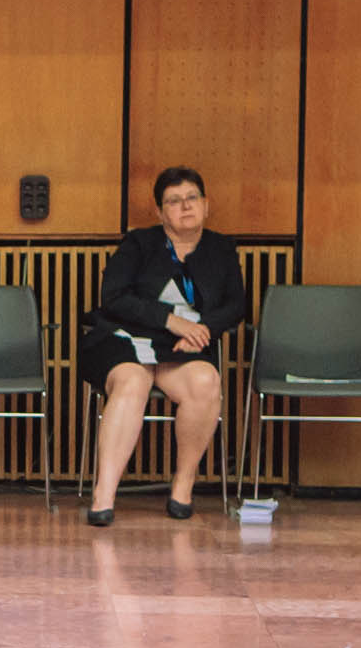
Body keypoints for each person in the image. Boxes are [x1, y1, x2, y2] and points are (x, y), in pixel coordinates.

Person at [80, 166, 247, 525]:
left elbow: (236, 305)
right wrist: (172, 321)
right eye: (174, 201)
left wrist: (203, 330)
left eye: (192, 198)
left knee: (205, 381)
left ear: (206, 204)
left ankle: (183, 487)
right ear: (159, 212)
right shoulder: (138, 244)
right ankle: (103, 496)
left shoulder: (221, 248)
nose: (185, 206)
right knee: (132, 382)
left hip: (182, 348)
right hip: (124, 339)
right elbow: (114, 297)